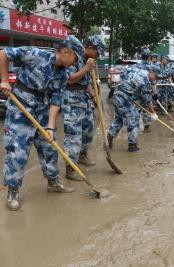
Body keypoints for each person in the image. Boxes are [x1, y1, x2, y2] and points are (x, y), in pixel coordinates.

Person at [0, 44, 79, 210]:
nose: (75, 63)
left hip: (42, 109)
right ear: (66, 52)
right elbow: (3, 54)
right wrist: (5, 81)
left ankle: (53, 182)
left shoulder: (63, 75)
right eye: (75, 59)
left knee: (50, 146)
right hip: (20, 107)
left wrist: (50, 128)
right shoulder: (35, 54)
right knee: (17, 150)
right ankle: (13, 191)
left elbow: (56, 101)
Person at [56, 35, 105, 181]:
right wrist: (87, 68)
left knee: (89, 130)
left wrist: (94, 98)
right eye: (98, 52)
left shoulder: (87, 62)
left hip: (84, 100)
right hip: (71, 101)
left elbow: (86, 83)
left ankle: (82, 155)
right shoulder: (73, 55)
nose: (98, 55)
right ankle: (70, 169)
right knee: (73, 136)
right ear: (90, 48)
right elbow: (70, 80)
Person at [107, 68, 158, 152]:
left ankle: (110, 135)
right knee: (134, 120)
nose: (154, 79)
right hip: (125, 99)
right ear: (151, 72)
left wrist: (128, 88)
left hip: (117, 95)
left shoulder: (137, 70)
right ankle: (132, 145)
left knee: (119, 119)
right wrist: (153, 113)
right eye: (155, 77)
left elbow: (122, 74)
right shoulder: (145, 82)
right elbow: (148, 100)